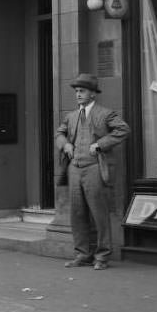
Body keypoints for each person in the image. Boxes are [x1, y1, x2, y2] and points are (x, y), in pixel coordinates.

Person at [55, 73, 130, 270]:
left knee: (99, 213)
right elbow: (60, 133)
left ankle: (102, 256)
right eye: (77, 91)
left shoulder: (105, 114)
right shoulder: (71, 116)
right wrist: (65, 145)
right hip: (74, 169)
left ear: (93, 94)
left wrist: (100, 144)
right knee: (77, 213)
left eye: (82, 91)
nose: (78, 94)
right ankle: (82, 254)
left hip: (95, 167)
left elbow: (123, 129)